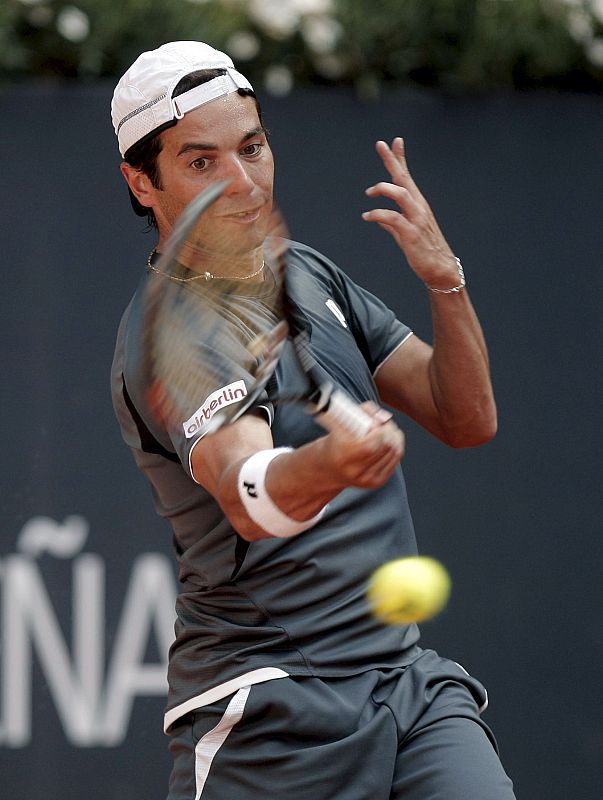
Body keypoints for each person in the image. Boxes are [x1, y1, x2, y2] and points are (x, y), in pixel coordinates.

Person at [110, 41, 515, 800]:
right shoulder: (175, 335)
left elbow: (465, 418)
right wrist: (334, 463)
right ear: (142, 183)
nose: (241, 182)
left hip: (404, 684)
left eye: (253, 148)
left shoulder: (306, 270)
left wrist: (444, 282)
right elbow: (247, 493)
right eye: (201, 163)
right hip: (269, 709)